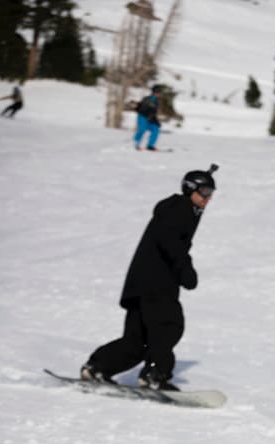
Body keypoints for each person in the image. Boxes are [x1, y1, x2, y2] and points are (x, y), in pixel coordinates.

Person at [80, 165, 218, 391]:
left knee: (138, 341)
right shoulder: (180, 208)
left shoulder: (178, 209)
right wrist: (185, 269)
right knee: (169, 326)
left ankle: (98, 367)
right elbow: (170, 241)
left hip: (140, 285)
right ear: (190, 189)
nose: (207, 198)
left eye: (211, 193)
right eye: (204, 192)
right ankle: (155, 374)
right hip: (157, 284)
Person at [133, 86, 162, 151]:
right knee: (142, 129)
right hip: (142, 117)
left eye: (159, 93)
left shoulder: (156, 101)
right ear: (154, 93)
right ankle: (135, 143)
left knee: (155, 129)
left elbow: (153, 113)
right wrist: (149, 116)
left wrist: (156, 121)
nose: (159, 94)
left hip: (149, 119)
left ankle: (150, 145)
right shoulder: (147, 99)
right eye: (158, 92)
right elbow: (142, 108)